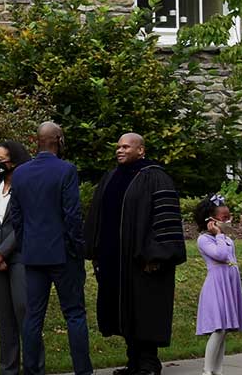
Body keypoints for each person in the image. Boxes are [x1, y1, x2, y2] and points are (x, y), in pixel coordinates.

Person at [85, 132, 186, 375]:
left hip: (143, 260)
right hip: (115, 260)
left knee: (144, 311)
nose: (120, 150)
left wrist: (156, 255)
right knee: (123, 312)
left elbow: (164, 219)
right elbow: (97, 215)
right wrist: (95, 250)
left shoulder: (156, 177)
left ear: (141, 150)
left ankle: (149, 364)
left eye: (126, 147)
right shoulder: (111, 177)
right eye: (118, 147)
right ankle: (134, 363)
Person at [8, 121, 92, 375]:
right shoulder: (66, 170)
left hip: (33, 254)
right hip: (63, 254)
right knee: (74, 314)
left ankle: (32, 370)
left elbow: (16, 216)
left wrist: (25, 244)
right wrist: (78, 248)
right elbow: (72, 215)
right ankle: (82, 371)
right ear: (59, 140)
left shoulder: (20, 173)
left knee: (33, 316)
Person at [0, 140, 30, 375]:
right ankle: (9, 368)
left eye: (0, 160)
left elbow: (24, 224)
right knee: (4, 316)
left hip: (18, 256)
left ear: (14, 162)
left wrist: (2, 252)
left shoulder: (26, 187)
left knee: (24, 311)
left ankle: (33, 366)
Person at [193, 195, 242, 375]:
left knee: (224, 331)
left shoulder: (226, 239)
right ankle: (207, 370)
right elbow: (221, 255)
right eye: (225, 218)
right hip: (216, 287)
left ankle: (218, 370)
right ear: (211, 220)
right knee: (218, 329)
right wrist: (219, 235)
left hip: (229, 286)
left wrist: (221, 236)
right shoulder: (204, 240)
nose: (229, 221)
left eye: (229, 217)